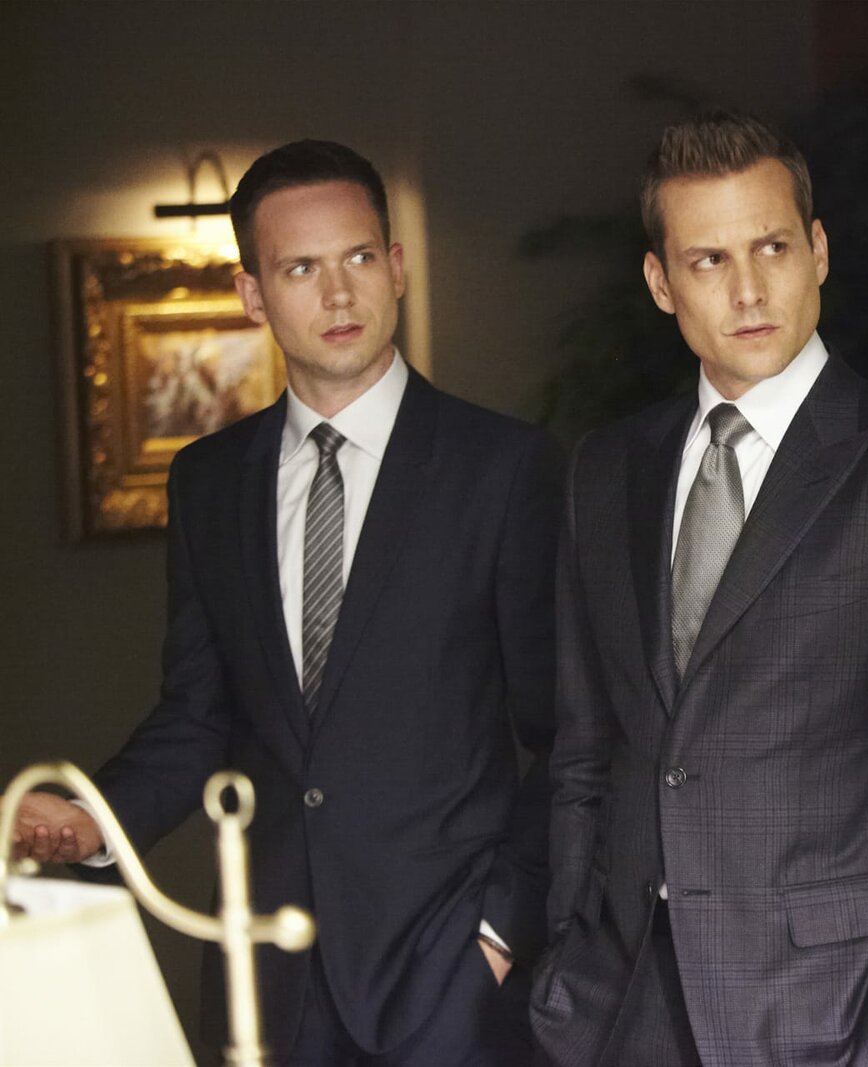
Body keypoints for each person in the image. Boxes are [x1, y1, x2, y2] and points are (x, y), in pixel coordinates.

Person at [11, 140, 562, 1066]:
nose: (338, 294)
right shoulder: (209, 481)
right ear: (253, 295)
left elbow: (568, 732)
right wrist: (92, 818)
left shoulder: (503, 468)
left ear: (396, 267)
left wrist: (500, 934)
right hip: (267, 984)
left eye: (358, 258)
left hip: (451, 982)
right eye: (301, 268)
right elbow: (198, 715)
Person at [527, 109, 868, 1067]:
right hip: (623, 1001)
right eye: (709, 260)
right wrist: (568, 958)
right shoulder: (606, 469)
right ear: (661, 282)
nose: (750, 289)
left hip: (845, 1011)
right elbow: (583, 749)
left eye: (772, 247)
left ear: (818, 251)